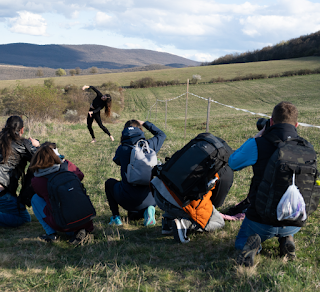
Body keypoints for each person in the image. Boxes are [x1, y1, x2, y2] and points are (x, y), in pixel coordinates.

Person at [228, 101, 303, 266]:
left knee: (241, 242)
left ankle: (254, 245)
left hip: (261, 218)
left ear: (271, 122)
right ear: (296, 125)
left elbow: (232, 163)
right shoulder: (305, 147)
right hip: (293, 220)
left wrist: (257, 136)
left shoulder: (258, 144)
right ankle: (287, 238)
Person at [152, 136, 234, 243]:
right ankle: (185, 224)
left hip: (158, 191)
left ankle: (168, 222)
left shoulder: (196, 148)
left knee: (179, 191)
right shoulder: (225, 167)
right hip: (180, 202)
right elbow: (218, 201)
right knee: (219, 222)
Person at [30, 142, 94, 244]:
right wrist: (64, 161)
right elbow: (80, 175)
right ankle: (79, 229)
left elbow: (41, 195)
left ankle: (51, 234)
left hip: (62, 223)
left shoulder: (37, 181)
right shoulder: (67, 167)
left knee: (35, 199)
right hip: (86, 218)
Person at [105, 120, 166, 226]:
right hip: (151, 199)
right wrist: (146, 123)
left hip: (127, 200)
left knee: (109, 183)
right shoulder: (149, 145)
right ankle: (149, 210)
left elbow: (116, 160)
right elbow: (161, 134)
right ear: (140, 131)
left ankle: (116, 217)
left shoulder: (122, 149)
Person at [0, 115, 40, 228]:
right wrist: (37, 146)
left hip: (3, 191)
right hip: (2, 193)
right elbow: (41, 158)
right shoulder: (22, 144)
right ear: (22, 129)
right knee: (24, 218)